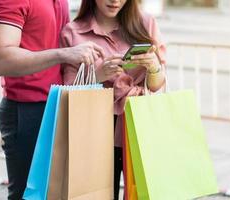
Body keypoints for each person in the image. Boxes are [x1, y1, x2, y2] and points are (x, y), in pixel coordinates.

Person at [0, 0, 105, 199]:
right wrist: (63, 54)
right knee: (29, 194)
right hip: (27, 111)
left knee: (57, 193)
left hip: (58, 103)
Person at [61, 0, 166, 199]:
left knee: (142, 192)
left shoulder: (146, 23)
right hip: (93, 129)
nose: (115, 1)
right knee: (96, 194)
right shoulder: (73, 32)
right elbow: (67, 90)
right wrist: (97, 75)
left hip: (138, 124)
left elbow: (156, 85)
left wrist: (154, 67)